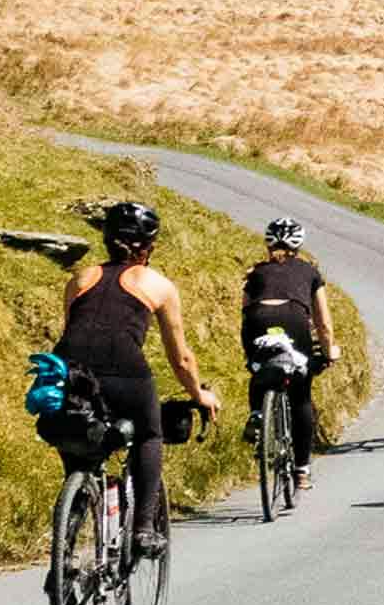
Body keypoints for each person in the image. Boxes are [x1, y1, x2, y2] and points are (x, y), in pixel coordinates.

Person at [55, 200, 218, 553]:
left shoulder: (80, 278)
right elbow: (181, 359)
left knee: (79, 448)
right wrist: (199, 395)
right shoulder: (156, 283)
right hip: (125, 372)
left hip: (70, 372)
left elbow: (73, 332)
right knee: (149, 434)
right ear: (149, 247)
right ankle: (143, 528)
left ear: (107, 240)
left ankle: (67, 534)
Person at [241, 217, 337, 492]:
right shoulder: (310, 271)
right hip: (294, 319)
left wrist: (251, 353)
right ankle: (302, 470)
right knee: (300, 396)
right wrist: (329, 352)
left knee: (260, 370)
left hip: (257, 320)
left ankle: (258, 412)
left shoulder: (256, 272)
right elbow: (324, 323)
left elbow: (245, 312)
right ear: (299, 244)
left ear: (268, 243)